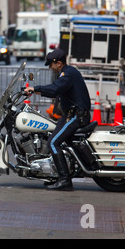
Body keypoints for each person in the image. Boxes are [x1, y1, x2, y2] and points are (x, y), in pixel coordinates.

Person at [25, 49, 91, 191]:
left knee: (53, 143)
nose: (49, 67)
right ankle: (56, 175)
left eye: (51, 64)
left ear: (58, 63)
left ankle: (65, 180)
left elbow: (55, 89)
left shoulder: (67, 74)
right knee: (52, 137)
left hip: (76, 116)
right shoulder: (67, 72)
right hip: (70, 115)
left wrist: (34, 88)